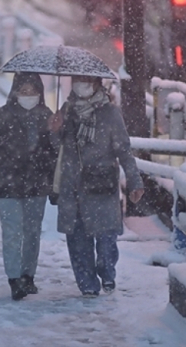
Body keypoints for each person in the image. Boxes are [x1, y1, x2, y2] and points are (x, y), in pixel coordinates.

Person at [48, 75, 144, 298]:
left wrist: (134, 181)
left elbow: (124, 152)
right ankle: (88, 285)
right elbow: (57, 149)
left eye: (87, 82)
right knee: (78, 241)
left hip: (101, 186)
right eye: (78, 81)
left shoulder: (110, 113)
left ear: (97, 84)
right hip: (72, 186)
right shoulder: (67, 110)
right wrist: (54, 131)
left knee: (106, 240)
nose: (83, 86)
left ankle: (107, 271)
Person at [0, 73, 57, 301]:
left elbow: (57, 156)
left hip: (37, 185)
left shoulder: (48, 117)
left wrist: (56, 186)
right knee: (12, 232)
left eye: (32, 92)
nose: (28, 96)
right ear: (15, 92)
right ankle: (14, 278)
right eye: (23, 91)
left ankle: (28, 275)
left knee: (32, 233)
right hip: (7, 184)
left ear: (40, 93)